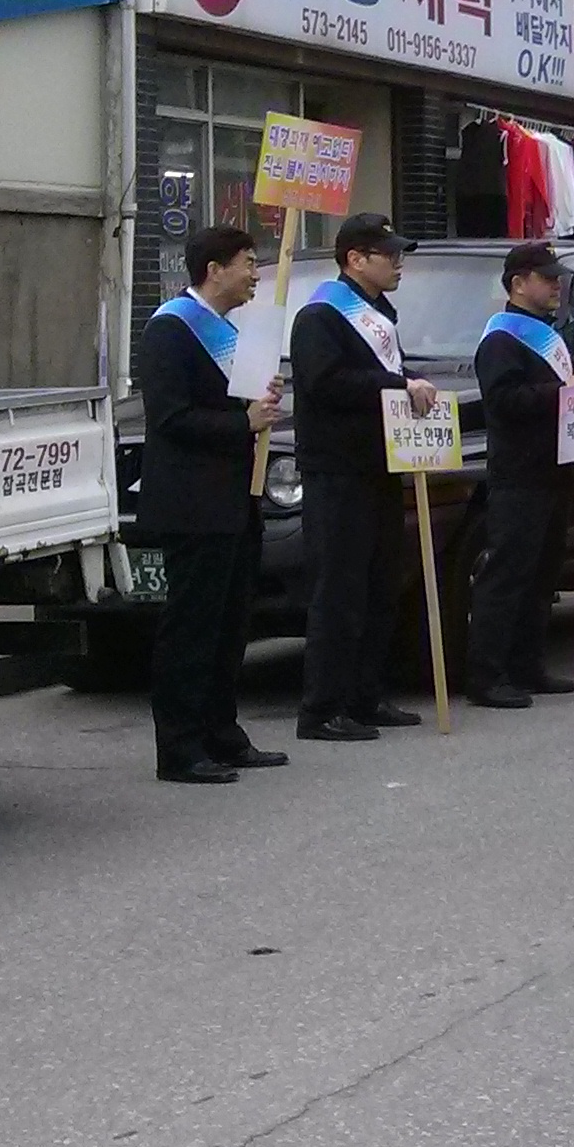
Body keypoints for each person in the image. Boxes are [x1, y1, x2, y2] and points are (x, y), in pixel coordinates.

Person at [132, 226, 285, 785]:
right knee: (192, 627)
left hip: (237, 501)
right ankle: (180, 747)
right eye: (247, 263)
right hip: (193, 504)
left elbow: (243, 403)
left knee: (230, 626)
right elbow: (170, 418)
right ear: (214, 270)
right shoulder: (170, 330)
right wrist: (242, 422)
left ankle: (223, 732)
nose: (255, 274)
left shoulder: (235, 330)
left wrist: (263, 401)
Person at [290, 213, 443, 743]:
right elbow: (326, 383)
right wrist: (397, 386)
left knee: (380, 587)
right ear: (356, 259)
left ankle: (366, 695)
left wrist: (406, 383)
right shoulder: (322, 316)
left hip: (380, 466)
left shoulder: (379, 312)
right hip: (338, 470)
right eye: (389, 255)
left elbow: (383, 373)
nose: (399, 264)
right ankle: (322, 708)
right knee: (339, 591)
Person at [467, 241, 574, 708]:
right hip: (519, 473)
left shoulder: (549, 333)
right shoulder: (501, 340)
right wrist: (561, 391)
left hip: (554, 470)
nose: (557, 285)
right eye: (547, 278)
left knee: (543, 575)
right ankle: (487, 674)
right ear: (519, 284)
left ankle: (527, 664)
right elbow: (505, 401)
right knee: (507, 574)